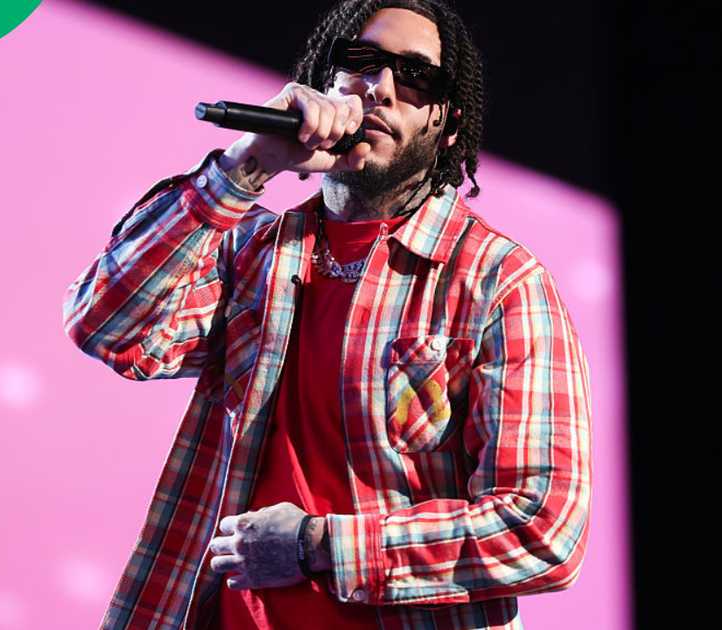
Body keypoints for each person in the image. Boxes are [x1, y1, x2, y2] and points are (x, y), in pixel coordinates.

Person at [62, 1, 592, 628]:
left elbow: (543, 527)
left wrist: (316, 545)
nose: (379, 88)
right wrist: (249, 163)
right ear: (324, 84)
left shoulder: (497, 282)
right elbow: (106, 326)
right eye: (360, 62)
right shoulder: (251, 252)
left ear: (449, 125)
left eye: (415, 77)